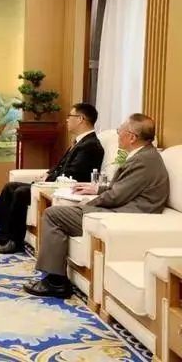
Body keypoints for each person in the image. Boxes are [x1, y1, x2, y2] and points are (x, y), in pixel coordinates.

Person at [23, 113, 169, 298]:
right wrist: (98, 189)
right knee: (60, 212)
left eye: (120, 130)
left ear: (132, 137)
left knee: (54, 214)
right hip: (122, 207)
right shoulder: (143, 156)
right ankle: (54, 276)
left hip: (126, 214)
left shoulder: (143, 161)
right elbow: (123, 188)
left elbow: (116, 197)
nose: (118, 134)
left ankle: (55, 282)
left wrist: (87, 203)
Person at [0, 103, 105, 254]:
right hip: (54, 183)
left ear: (80, 119)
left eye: (70, 116)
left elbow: (73, 174)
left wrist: (49, 179)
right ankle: (3, 233)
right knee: (10, 187)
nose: (67, 120)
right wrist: (48, 173)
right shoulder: (81, 141)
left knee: (21, 192)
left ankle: (16, 241)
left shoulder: (91, 145)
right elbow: (61, 165)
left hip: (64, 189)